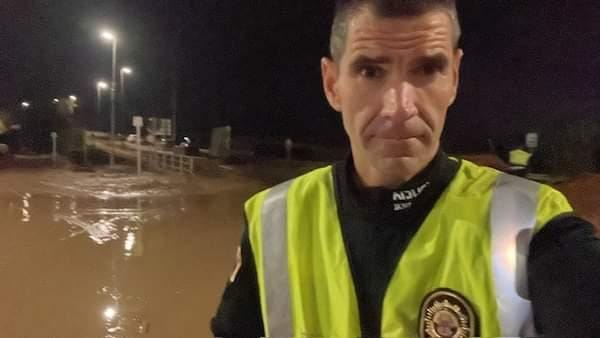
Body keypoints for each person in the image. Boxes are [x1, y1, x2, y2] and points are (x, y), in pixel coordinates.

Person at [212, 1, 600, 337]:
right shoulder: (271, 221)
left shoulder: (536, 226)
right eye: (370, 71)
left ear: (454, 78)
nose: (400, 107)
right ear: (332, 85)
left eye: (427, 69)